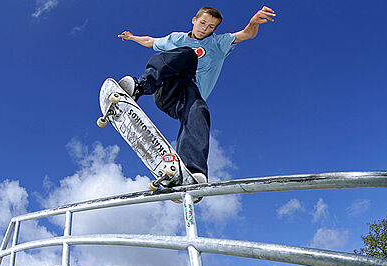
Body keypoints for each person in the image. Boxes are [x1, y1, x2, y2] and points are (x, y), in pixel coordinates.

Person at [116, 6, 275, 182]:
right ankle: (139, 87)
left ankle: (191, 170)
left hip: (186, 99)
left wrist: (253, 22)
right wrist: (131, 37)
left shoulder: (217, 43)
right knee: (187, 54)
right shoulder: (177, 38)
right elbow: (150, 41)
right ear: (194, 20)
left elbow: (247, 34)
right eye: (203, 23)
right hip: (167, 89)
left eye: (211, 27)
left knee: (200, 109)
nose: (205, 29)